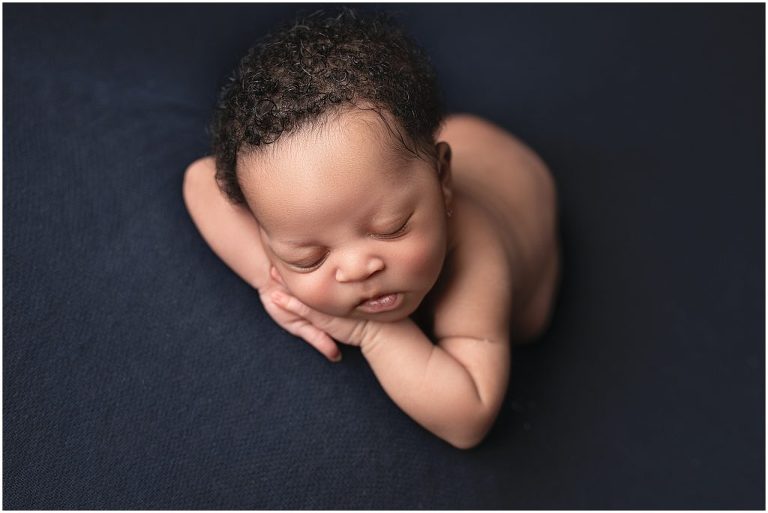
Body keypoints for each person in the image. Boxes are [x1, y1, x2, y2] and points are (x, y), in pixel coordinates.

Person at [182, 8, 560, 449]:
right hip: (409, 155)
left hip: (520, 191)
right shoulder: (334, 193)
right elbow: (198, 180)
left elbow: (469, 416)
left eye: (391, 229)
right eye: (309, 256)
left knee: (530, 323)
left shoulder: (477, 255)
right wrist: (272, 282)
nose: (357, 269)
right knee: (383, 157)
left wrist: (371, 331)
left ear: (443, 182)